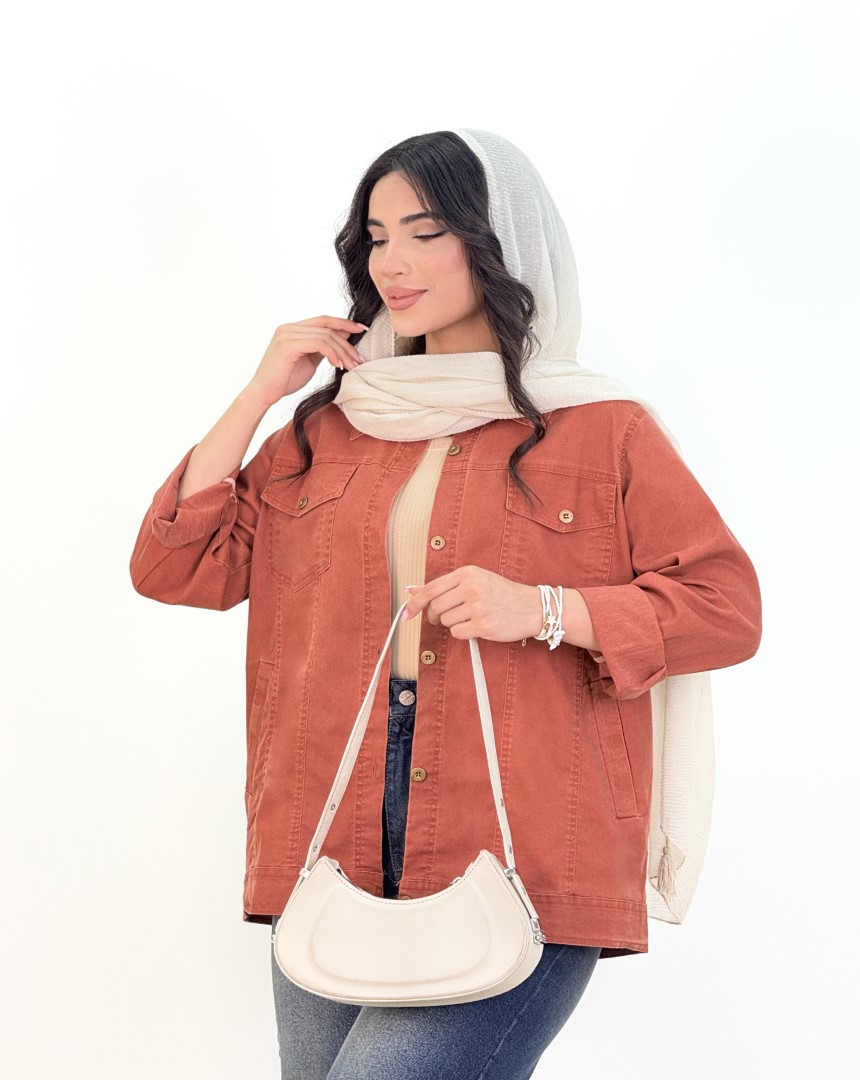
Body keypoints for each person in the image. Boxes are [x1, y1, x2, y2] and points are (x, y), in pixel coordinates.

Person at [130, 128, 762, 1079]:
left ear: (500, 243)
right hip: (331, 842)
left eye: (425, 233)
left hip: (522, 847)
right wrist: (261, 393)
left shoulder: (601, 428)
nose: (393, 262)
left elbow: (725, 606)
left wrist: (544, 609)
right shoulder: (330, 429)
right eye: (377, 237)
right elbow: (178, 567)